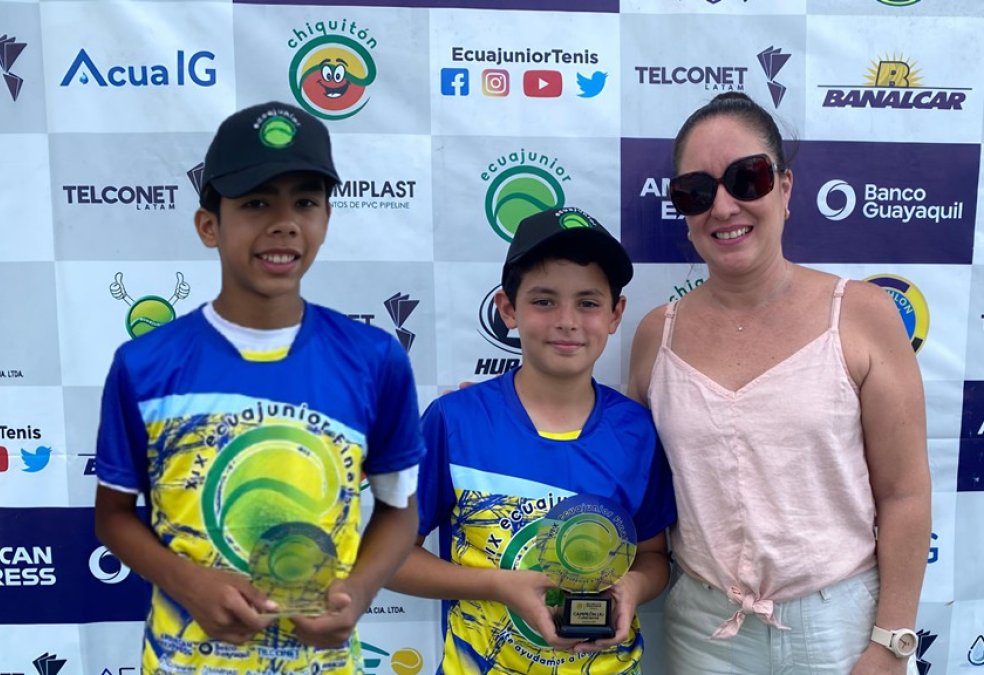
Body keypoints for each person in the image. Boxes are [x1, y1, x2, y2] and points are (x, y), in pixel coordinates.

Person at [93, 101, 425, 674]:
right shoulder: (144, 364)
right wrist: (188, 583)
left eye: (305, 202)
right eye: (255, 203)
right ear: (209, 225)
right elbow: (113, 517)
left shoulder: (374, 360)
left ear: (324, 219)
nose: (284, 222)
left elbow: (400, 510)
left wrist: (360, 592)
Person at [627, 92, 930, 675]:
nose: (723, 206)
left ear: (785, 188)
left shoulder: (862, 314)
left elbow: (905, 494)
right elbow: (616, 462)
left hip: (844, 627)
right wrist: (511, 413)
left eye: (748, 178)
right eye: (696, 190)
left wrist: (892, 640)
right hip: (704, 631)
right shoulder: (654, 337)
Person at [387, 206, 677, 674]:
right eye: (544, 301)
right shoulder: (454, 421)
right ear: (507, 309)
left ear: (615, 314)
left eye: (588, 302)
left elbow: (653, 557)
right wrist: (498, 586)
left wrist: (633, 589)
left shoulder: (637, 431)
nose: (567, 320)